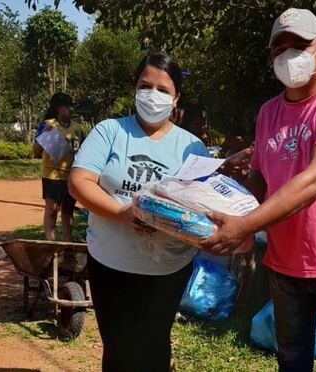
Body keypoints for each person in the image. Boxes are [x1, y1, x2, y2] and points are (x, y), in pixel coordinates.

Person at [201, 8, 316, 371]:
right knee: (292, 362)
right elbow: (265, 184)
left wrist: (245, 225)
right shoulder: (268, 112)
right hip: (285, 265)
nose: (288, 55)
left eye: (299, 45)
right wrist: (234, 179)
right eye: (278, 49)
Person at [68, 52, 211, 372]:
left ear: (176, 99)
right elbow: (79, 182)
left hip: (168, 270)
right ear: (134, 88)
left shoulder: (192, 147)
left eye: (163, 90)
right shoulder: (110, 131)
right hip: (110, 264)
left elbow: (202, 205)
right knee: (118, 347)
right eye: (146, 86)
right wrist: (123, 213)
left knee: (155, 342)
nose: (153, 95)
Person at [33, 92, 83, 242]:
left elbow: (84, 149)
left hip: (70, 176)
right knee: (52, 211)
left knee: (67, 212)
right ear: (57, 108)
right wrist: (43, 138)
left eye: (69, 106)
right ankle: (51, 244)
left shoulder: (77, 128)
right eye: (65, 106)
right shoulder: (48, 125)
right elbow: (35, 152)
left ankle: (67, 244)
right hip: (51, 176)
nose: (69, 110)